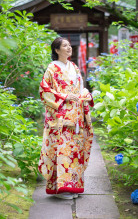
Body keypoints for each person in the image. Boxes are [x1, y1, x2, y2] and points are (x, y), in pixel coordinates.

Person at [38, 37, 94, 199]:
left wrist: (85, 95)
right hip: (60, 116)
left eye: (69, 45)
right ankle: (61, 188)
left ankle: (74, 186)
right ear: (56, 50)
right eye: (65, 46)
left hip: (76, 114)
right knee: (62, 150)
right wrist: (65, 96)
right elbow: (44, 90)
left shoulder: (74, 67)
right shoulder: (52, 68)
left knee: (75, 150)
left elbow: (81, 88)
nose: (69, 48)